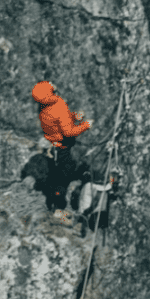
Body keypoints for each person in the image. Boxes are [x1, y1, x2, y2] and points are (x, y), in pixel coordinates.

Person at [31, 81, 92, 217]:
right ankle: (58, 208)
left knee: (59, 173)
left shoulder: (43, 107)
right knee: (61, 178)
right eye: (50, 86)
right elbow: (68, 132)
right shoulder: (57, 106)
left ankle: (55, 201)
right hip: (61, 147)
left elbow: (59, 121)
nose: (53, 85)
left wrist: (74, 117)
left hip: (54, 147)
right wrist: (85, 125)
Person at [77, 170, 119, 237]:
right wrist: (113, 177)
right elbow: (106, 187)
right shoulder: (90, 185)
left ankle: (84, 231)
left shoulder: (86, 185)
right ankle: (86, 231)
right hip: (88, 209)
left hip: (85, 209)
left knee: (87, 218)